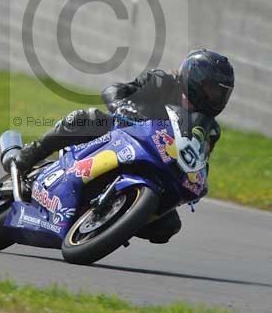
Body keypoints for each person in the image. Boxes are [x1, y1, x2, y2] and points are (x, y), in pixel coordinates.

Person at [13, 49, 235, 244]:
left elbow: (198, 157)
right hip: (121, 133)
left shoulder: (209, 128)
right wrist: (122, 105)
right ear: (193, 78)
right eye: (211, 90)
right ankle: (29, 154)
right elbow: (115, 89)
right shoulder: (161, 81)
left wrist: (197, 177)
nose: (215, 98)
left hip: (159, 165)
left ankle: (116, 218)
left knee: (167, 228)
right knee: (83, 118)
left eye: (221, 93)